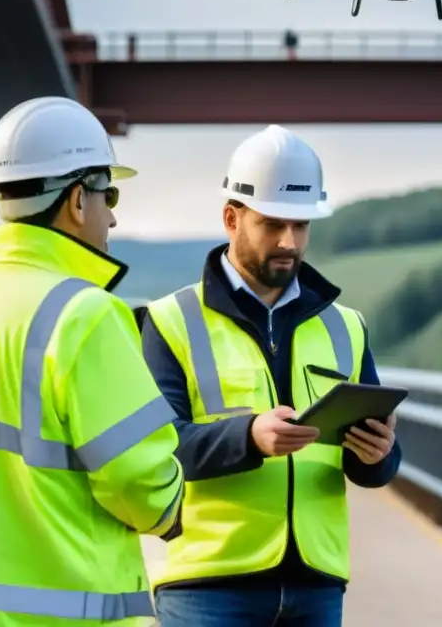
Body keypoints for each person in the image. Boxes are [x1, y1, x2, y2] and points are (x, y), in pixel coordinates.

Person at [0, 96, 185, 625]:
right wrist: (171, 506)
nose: (112, 213)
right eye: (107, 193)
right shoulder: (84, 315)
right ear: (76, 199)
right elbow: (141, 482)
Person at [140, 125, 402, 627]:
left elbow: (378, 466)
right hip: (209, 585)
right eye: (272, 224)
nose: (289, 242)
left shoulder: (347, 326)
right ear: (231, 219)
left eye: (301, 226)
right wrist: (249, 437)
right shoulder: (170, 322)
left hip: (316, 583)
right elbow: (155, 449)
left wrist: (378, 456)